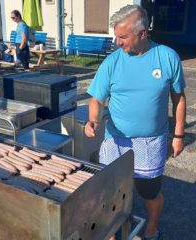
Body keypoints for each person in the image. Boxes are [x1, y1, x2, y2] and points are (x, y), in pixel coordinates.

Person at [84, 4, 186, 240]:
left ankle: (151, 228)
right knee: (110, 191)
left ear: (142, 33)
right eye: (115, 36)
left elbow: (179, 100)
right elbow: (96, 100)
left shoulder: (167, 57)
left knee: (148, 191)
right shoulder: (112, 62)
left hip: (151, 142)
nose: (117, 42)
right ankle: (111, 231)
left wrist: (178, 135)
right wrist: (92, 120)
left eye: (122, 37)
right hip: (116, 140)